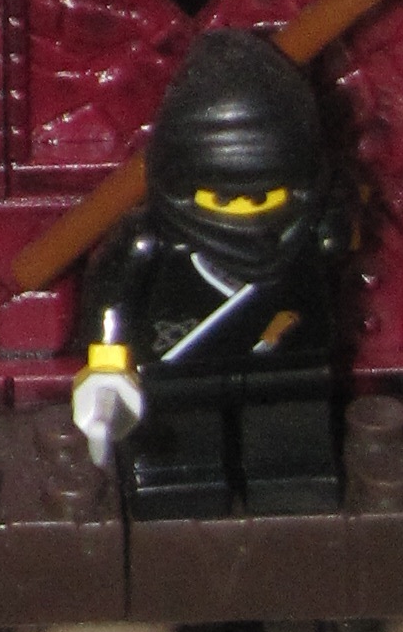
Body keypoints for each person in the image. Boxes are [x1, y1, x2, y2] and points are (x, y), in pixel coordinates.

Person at [71, 30, 348, 519]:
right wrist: (108, 363)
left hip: (289, 364)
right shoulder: (152, 242)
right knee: (180, 460)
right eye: (222, 198)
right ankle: (179, 485)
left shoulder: (311, 231)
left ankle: (292, 480)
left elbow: (336, 252)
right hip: (178, 368)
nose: (244, 212)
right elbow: (112, 297)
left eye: (263, 197)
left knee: (291, 452)